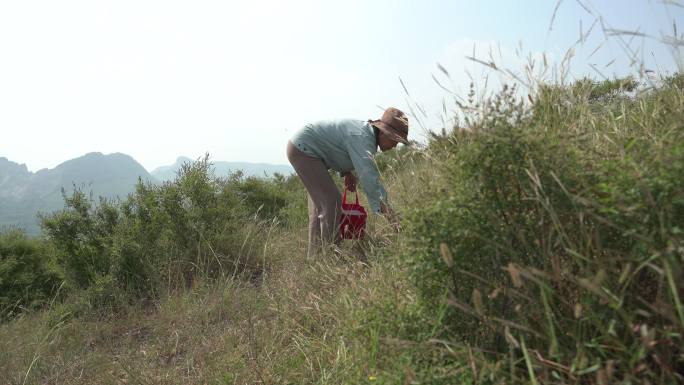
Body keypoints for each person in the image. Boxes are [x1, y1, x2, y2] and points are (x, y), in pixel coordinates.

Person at [286, 107, 408, 257]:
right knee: (332, 202)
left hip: (303, 147)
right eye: (394, 140)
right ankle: (331, 256)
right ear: (383, 132)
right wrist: (391, 217)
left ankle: (316, 259)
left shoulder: (365, 135)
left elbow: (335, 146)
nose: (395, 146)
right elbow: (370, 181)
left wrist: (346, 172)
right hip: (304, 150)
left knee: (320, 209)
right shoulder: (363, 138)